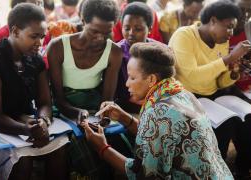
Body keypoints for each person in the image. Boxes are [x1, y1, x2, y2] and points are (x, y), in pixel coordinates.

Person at [81, 42, 233, 179]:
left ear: (152, 80)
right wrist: (125, 118)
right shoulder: (183, 94)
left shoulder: (157, 112)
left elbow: (146, 175)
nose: (127, 83)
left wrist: (102, 148)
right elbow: (163, 136)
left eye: (132, 78)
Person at [0, 4, 68, 180]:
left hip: (22, 121)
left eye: (42, 37)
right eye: (34, 36)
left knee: (60, 148)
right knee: (21, 158)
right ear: (15, 31)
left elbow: (44, 103)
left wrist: (42, 121)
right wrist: (27, 130)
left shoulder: (35, 61)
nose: (40, 43)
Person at [169, 1, 251, 178]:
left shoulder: (220, 41)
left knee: (249, 117)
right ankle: (216, 173)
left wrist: (235, 72)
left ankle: (242, 169)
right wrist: (228, 58)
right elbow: (192, 77)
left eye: (233, 28)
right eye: (228, 27)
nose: (231, 33)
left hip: (211, 92)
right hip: (186, 93)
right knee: (224, 126)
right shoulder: (184, 36)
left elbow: (219, 82)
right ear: (213, 20)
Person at [47, 0, 122, 119]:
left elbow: (107, 101)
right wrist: (78, 113)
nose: (100, 38)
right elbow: (58, 99)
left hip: (94, 110)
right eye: (95, 31)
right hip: (62, 109)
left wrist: (102, 118)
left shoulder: (114, 52)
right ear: (83, 21)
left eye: (107, 33)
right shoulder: (58, 47)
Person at [230, 0, 251, 174]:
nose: (244, 15)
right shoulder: (219, 29)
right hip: (230, 91)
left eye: (249, 10)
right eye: (240, 9)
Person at [115, 2, 163, 113]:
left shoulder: (159, 51)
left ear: (150, 29)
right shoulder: (117, 52)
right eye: (126, 28)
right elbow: (117, 93)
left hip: (154, 105)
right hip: (124, 106)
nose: (131, 33)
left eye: (138, 29)